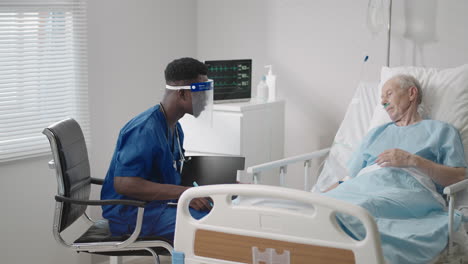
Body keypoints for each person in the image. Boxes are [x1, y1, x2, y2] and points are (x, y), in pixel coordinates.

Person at [324, 74, 467, 264]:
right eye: (381, 97)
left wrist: (413, 160)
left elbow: (459, 177)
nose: (382, 101)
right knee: (328, 206)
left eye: (388, 94)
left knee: (360, 210)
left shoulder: (441, 131)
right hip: (363, 185)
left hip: (408, 189)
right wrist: (318, 198)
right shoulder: (376, 133)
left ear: (411, 93)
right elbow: (349, 180)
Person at [100, 57, 213, 241]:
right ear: (183, 94)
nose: (206, 100)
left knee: (221, 210)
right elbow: (124, 183)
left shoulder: (175, 127)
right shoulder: (144, 129)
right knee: (209, 227)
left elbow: (177, 171)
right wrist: (184, 193)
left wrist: (223, 184)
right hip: (133, 214)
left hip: (158, 205)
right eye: (201, 93)